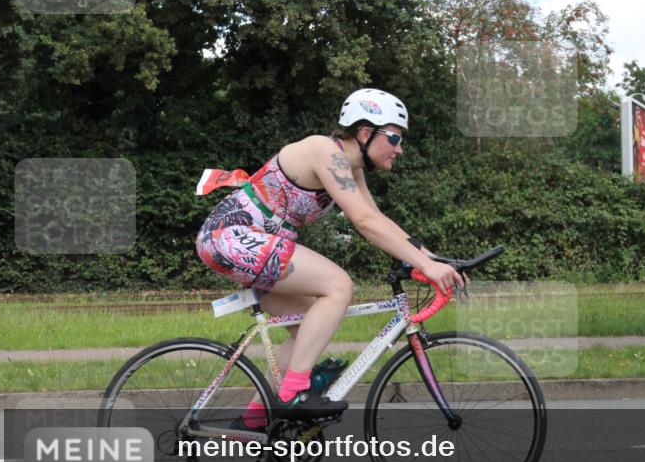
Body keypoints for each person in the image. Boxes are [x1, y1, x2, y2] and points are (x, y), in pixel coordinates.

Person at [195, 88, 465, 430]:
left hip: (253, 243)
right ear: (366, 133)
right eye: (395, 137)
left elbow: (376, 218)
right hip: (230, 236)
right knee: (338, 286)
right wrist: (426, 265)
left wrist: (431, 258)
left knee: (310, 323)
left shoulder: (350, 167)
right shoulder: (324, 151)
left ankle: (254, 420)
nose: (400, 148)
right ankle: (292, 395)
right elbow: (364, 223)